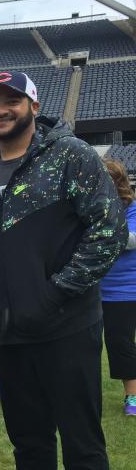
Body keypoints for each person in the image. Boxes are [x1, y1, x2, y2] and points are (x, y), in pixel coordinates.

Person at [0, 71, 125, 470]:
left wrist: (56, 291)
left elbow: (110, 230)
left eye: (11, 100)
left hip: (66, 327)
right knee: (28, 439)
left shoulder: (71, 155)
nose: (0, 109)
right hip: (12, 333)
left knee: (82, 441)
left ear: (33, 104)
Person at [101, 158, 136, 416]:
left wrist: (99, 232)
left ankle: (132, 397)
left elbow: (130, 240)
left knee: (122, 343)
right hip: (98, 289)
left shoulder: (132, 209)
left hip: (125, 290)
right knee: (99, 344)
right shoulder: (92, 206)